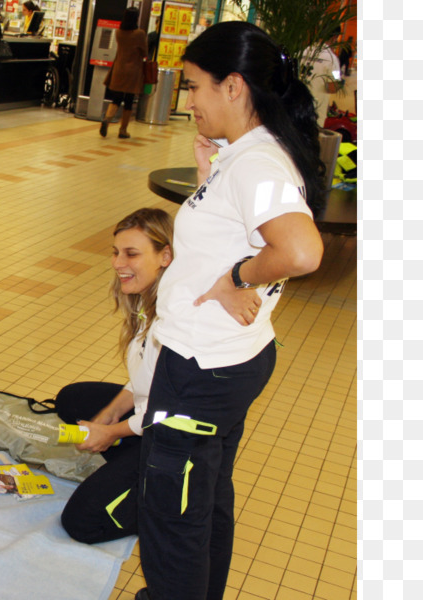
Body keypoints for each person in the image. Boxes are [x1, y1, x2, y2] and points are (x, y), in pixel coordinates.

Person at [133, 22, 325, 600]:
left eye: (195, 87)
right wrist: (208, 180)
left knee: (173, 514)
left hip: (200, 371)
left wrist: (236, 277)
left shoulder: (255, 163)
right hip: (226, 360)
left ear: (234, 86)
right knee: (206, 498)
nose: (188, 101)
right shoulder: (246, 157)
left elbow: (300, 250)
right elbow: (237, 229)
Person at [54, 208, 172, 544]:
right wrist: (109, 415)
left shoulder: (174, 318)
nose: (119, 263)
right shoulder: (145, 303)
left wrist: (110, 432)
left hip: (169, 429)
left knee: (80, 522)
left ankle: (165, 498)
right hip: (150, 412)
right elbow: (143, 380)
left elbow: (163, 409)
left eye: (132, 254)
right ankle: (130, 458)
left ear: (166, 256)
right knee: (72, 400)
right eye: (116, 252)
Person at [99, 7, 148, 139]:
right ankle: (123, 130)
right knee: (128, 101)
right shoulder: (139, 34)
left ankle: (107, 120)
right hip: (133, 71)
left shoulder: (119, 32)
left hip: (118, 69)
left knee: (116, 98)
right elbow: (145, 52)